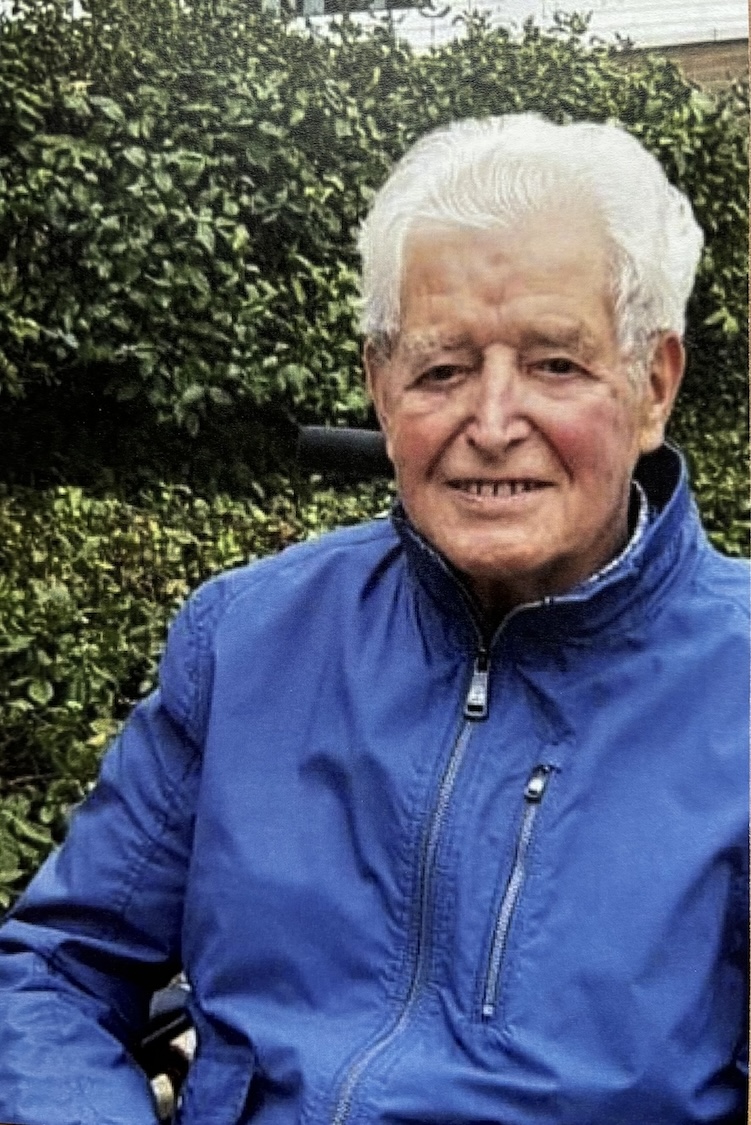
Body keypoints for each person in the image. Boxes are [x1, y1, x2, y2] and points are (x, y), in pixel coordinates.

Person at [0, 114, 747, 1125]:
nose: (492, 424)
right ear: (381, 389)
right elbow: (54, 967)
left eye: (554, 364)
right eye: (441, 369)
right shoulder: (248, 639)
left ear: (652, 385)